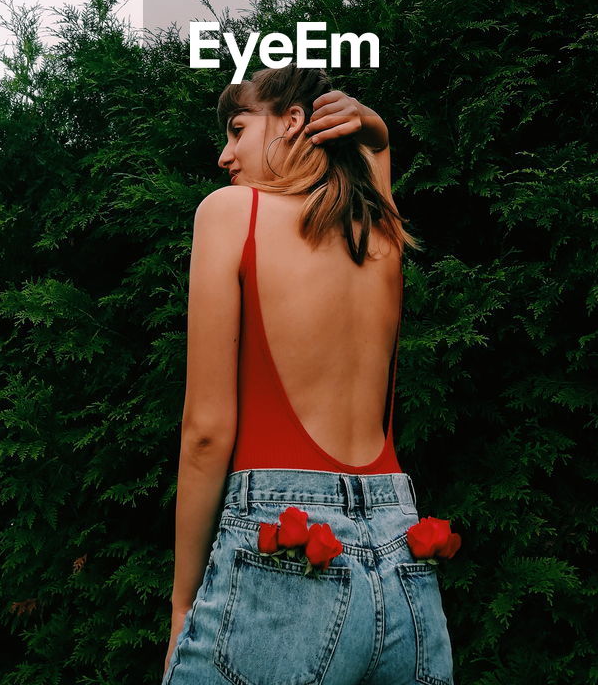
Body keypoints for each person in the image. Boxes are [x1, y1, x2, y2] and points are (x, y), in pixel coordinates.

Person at [162, 62, 456, 684]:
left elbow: (206, 431)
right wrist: (376, 135)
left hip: (285, 549)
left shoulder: (230, 214)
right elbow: (374, 169)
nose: (224, 155)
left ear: (292, 122)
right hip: (404, 556)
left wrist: (183, 601)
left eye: (237, 130)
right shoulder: (383, 235)